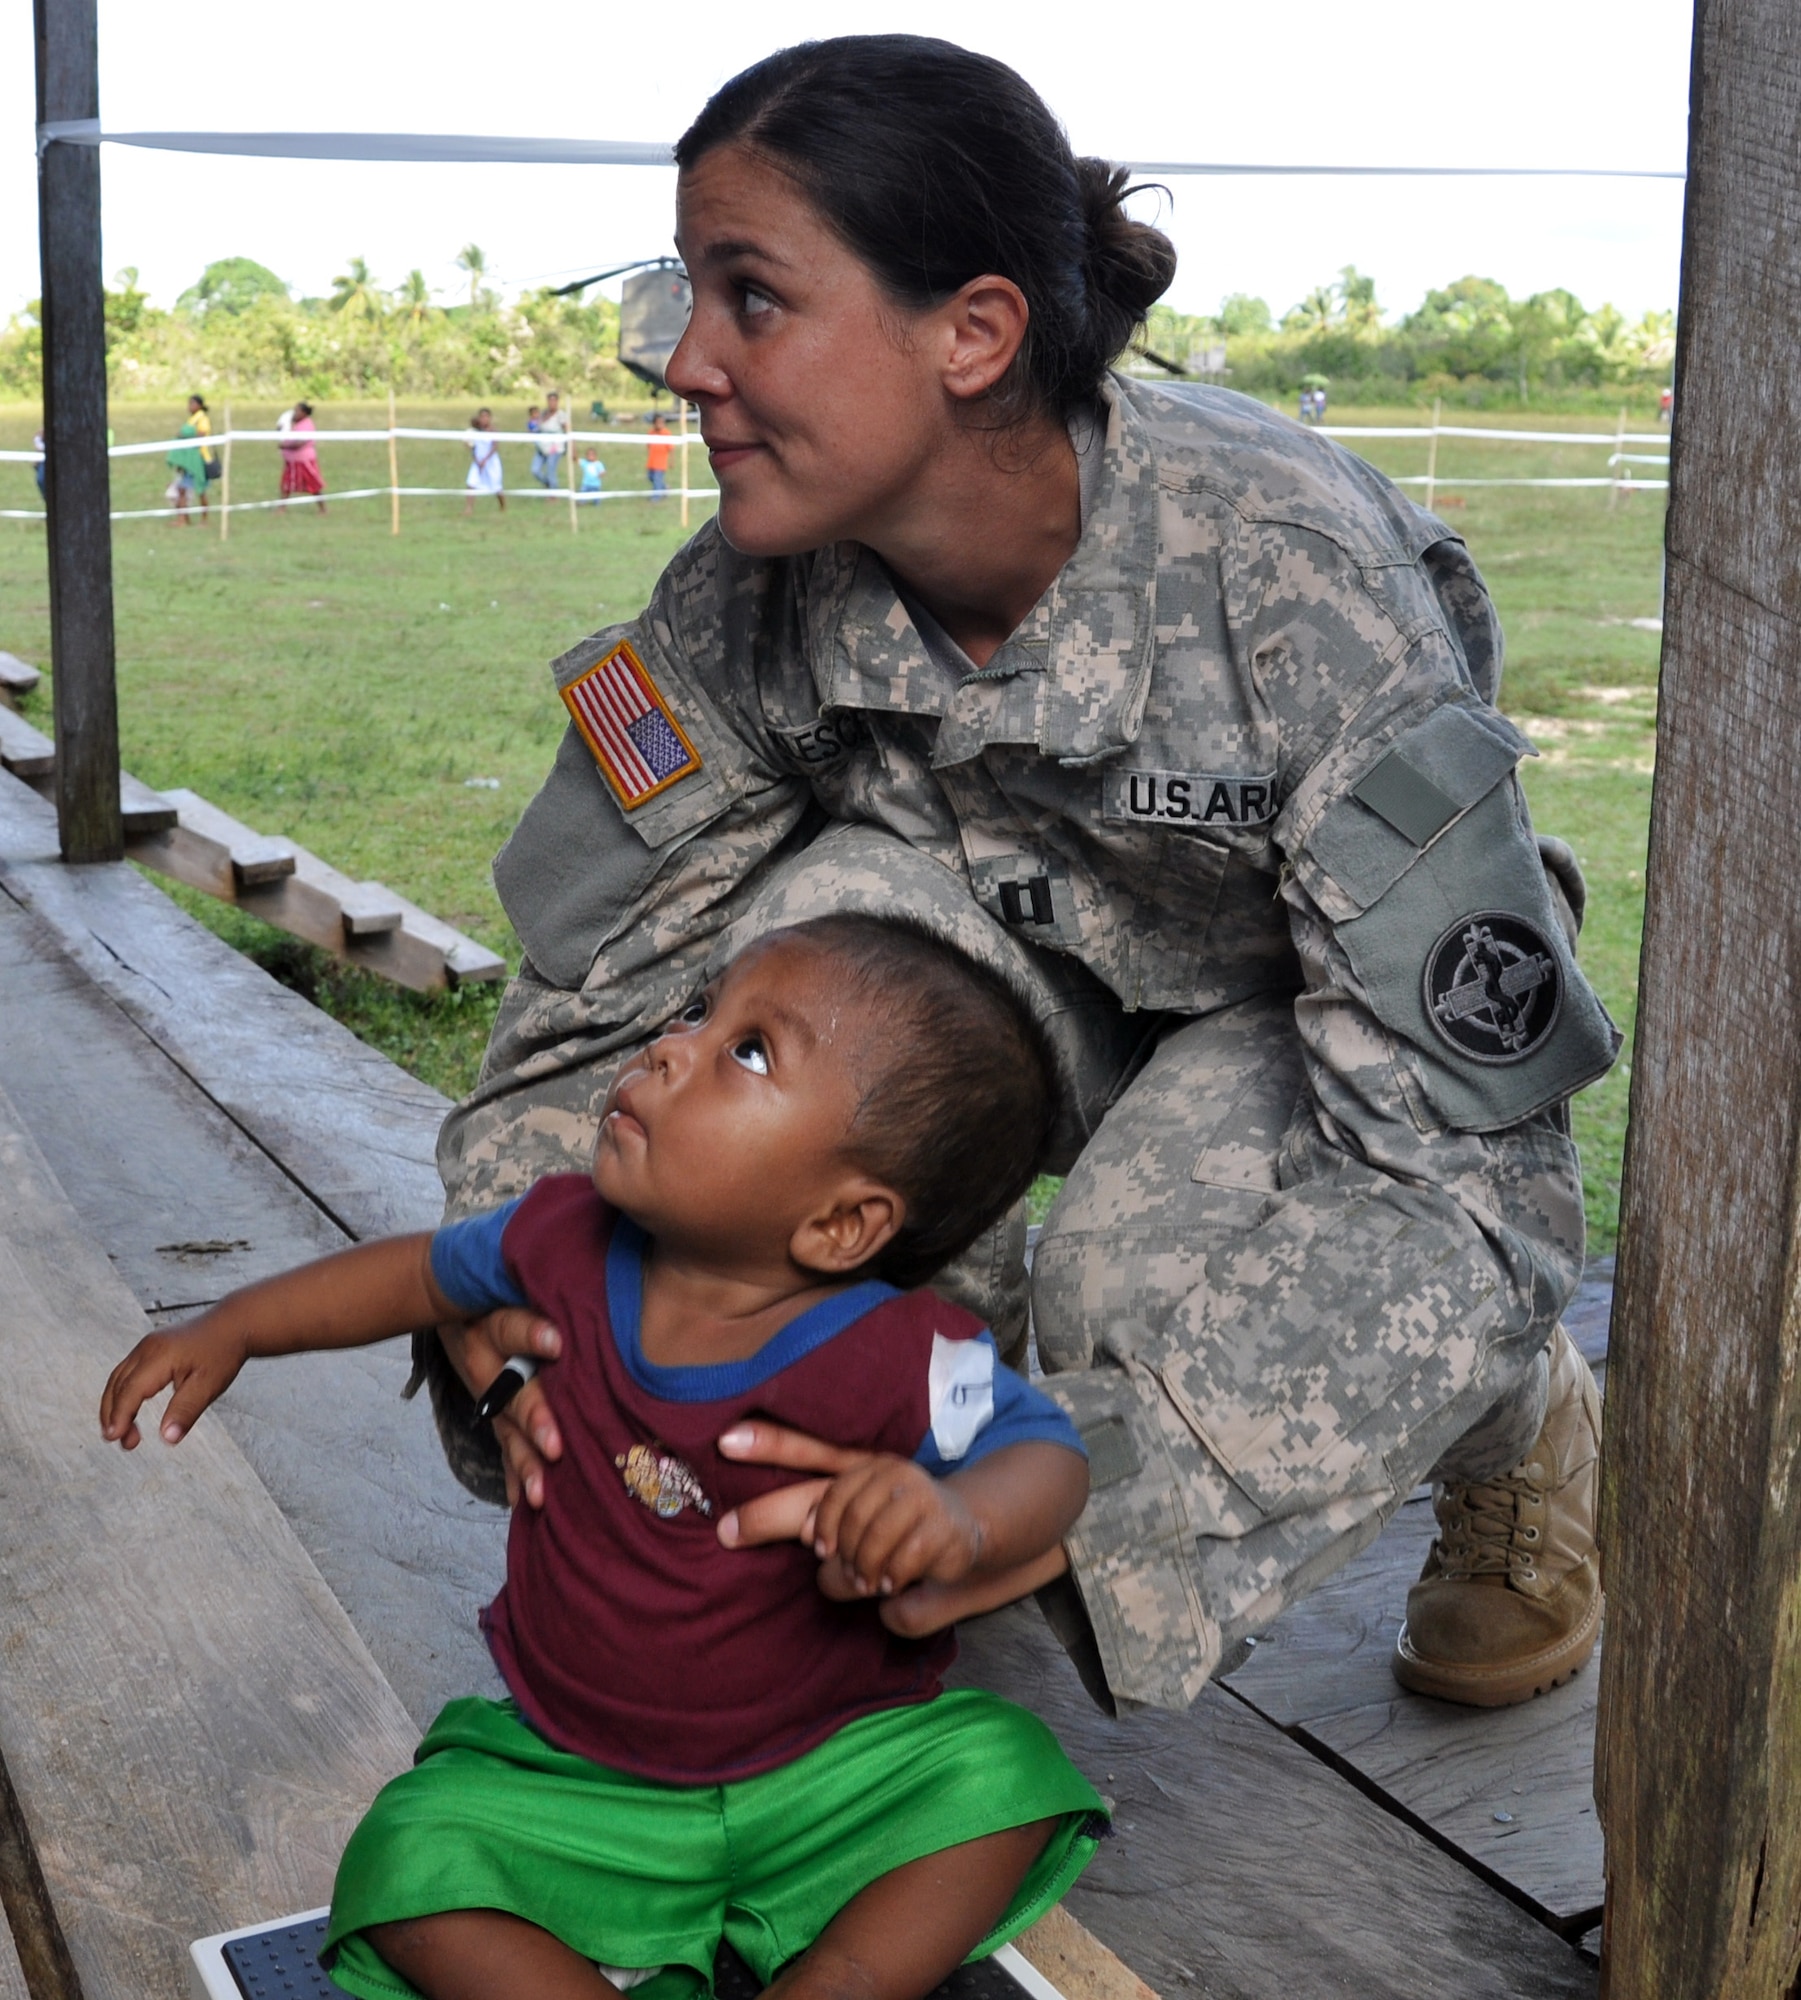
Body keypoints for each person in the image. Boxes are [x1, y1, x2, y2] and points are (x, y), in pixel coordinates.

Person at [422, 34, 1618, 1720]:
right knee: (785, 984)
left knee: (1123, 1280)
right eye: (678, 295)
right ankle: (875, 1453)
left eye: (749, 298)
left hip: (1298, 997)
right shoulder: (737, 606)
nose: (682, 363)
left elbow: (1459, 1180)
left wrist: (1074, 1500)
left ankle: (1523, 1423)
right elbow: (591, 1005)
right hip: (1005, 962)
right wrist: (508, 1290)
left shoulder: (1288, 578)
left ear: (974, 334)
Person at [100, 916, 1105, 2000]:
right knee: (409, 1854)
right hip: (576, 1775)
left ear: (842, 1222)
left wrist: (958, 1517)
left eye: (749, 1050)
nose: (669, 1047)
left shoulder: (903, 1351)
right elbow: (418, 1276)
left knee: (1003, 1776)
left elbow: (1044, 1452)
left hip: (827, 1771)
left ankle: (840, 1979)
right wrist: (236, 1324)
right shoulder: (560, 1234)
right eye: (696, 1012)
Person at [165, 395, 210, 525]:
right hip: (187, 460)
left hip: (199, 460)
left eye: (192, 404)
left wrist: (185, 435)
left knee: (201, 491)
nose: (189, 407)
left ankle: (204, 520)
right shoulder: (192, 419)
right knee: (182, 489)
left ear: (199, 405)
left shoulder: (202, 419)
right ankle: (183, 519)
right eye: (189, 404)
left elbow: (201, 434)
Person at [277, 400, 327, 515]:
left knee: (314, 485)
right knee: (286, 485)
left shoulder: (307, 425)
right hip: (292, 462)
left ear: (304, 413)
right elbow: (283, 432)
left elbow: (299, 443)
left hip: (304, 461)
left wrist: (284, 446)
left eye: (297, 411)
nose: (294, 413)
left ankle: (323, 508)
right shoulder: (293, 423)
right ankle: (281, 508)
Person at [463, 408, 506, 516]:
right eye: (482, 417)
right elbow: (472, 447)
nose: (484, 419)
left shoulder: (493, 431)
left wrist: (485, 460)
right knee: (471, 483)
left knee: (496, 486)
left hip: (491, 462)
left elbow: (495, 447)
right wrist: (477, 460)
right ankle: (468, 509)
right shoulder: (475, 431)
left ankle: (503, 506)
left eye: (486, 417)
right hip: (478, 462)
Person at [535, 389, 571, 489]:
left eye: (554, 400)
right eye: (550, 400)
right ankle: (548, 484)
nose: (552, 403)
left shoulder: (561, 415)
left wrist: (571, 447)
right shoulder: (542, 414)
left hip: (555, 446)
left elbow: (568, 431)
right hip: (542, 446)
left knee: (551, 468)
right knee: (535, 470)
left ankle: (553, 492)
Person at [644, 412, 672, 497]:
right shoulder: (651, 433)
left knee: (657, 479)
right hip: (652, 462)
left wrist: (671, 461)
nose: (660, 424)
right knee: (650, 477)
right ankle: (664, 488)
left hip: (661, 463)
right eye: (658, 422)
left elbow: (670, 448)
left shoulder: (666, 433)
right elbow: (649, 446)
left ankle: (655, 498)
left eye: (662, 422)